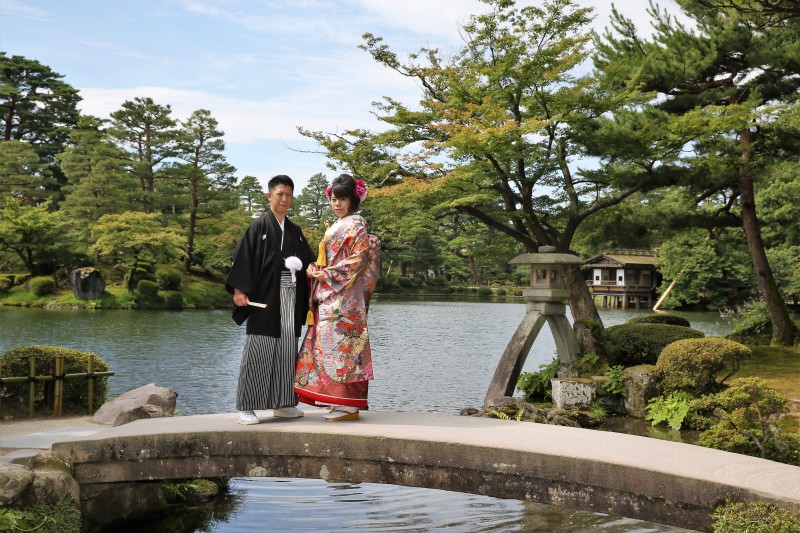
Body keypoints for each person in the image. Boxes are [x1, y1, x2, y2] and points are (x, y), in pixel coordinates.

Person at [226, 175, 315, 424]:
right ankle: (247, 406)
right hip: (264, 298)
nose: (284, 199)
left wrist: (314, 271)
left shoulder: (295, 231)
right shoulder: (258, 227)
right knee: (259, 350)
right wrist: (239, 291)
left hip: (290, 298)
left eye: (288, 194)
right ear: (269, 196)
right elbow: (241, 260)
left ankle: (283, 403)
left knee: (287, 351)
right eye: (280, 194)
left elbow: (308, 262)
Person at [295, 174, 380, 421]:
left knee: (345, 350)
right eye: (334, 199)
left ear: (353, 201)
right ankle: (339, 400)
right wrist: (314, 269)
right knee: (330, 348)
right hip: (331, 295)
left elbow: (358, 261)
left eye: (342, 199)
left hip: (346, 299)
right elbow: (327, 261)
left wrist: (326, 274)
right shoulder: (337, 225)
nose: (337, 204)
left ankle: (350, 404)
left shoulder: (357, 225)